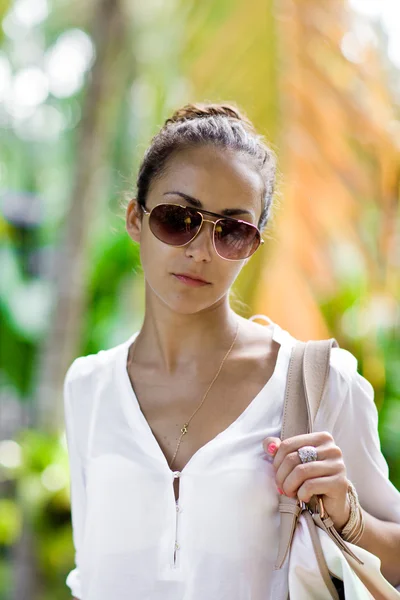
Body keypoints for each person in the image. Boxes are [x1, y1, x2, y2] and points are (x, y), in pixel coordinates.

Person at [63, 102, 400, 600]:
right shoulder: (87, 387)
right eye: (179, 219)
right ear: (136, 218)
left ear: (253, 245)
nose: (201, 249)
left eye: (232, 230)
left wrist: (346, 513)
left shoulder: (317, 382)